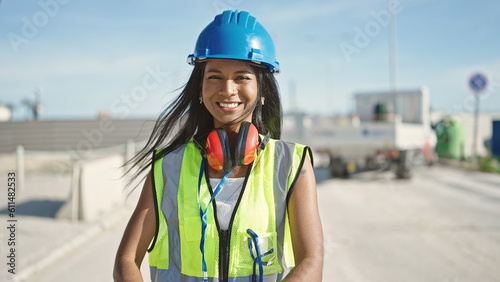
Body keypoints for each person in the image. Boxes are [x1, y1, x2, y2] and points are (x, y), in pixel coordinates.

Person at [113, 10, 323, 282]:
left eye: (242, 77)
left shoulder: (292, 164)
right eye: (214, 76)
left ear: (261, 88)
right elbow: (126, 260)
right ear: (200, 87)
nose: (227, 89)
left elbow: (312, 261)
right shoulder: (168, 167)